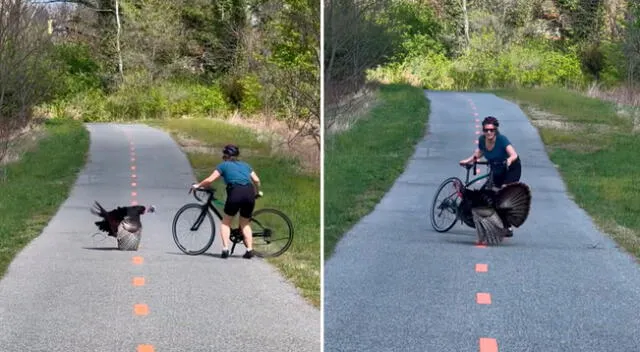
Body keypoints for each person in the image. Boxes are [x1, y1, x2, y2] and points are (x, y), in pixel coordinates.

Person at [191, 144, 263, 259]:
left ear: (226, 156)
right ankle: (249, 250)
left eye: (223, 156)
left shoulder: (223, 165)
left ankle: (225, 249)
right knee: (245, 223)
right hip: (249, 192)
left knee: (226, 222)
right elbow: (257, 180)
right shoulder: (246, 165)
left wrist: (198, 185)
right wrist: (258, 192)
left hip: (235, 192)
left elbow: (210, 179)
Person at [459, 116, 521, 236]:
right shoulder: (482, 140)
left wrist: (509, 160)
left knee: (503, 194)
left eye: (491, 130)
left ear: (496, 130)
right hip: (497, 169)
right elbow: (479, 153)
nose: (488, 132)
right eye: (486, 130)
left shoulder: (502, 140)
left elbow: (514, 155)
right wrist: (468, 161)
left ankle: (508, 227)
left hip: (511, 169)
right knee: (489, 194)